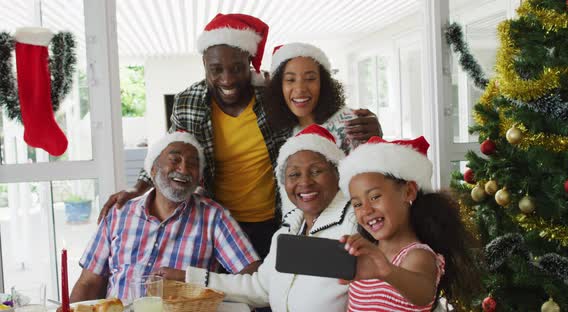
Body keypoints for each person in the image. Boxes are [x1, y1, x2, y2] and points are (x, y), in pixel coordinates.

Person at [99, 15, 379, 259]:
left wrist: (371, 131)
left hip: (278, 218)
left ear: (250, 63)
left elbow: (312, 113)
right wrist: (138, 188)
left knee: (273, 291)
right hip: (220, 222)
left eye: (236, 68)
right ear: (204, 64)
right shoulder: (189, 102)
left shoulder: (270, 98)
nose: (227, 79)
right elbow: (171, 149)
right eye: (216, 69)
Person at [166, 124, 357, 311]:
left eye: (316, 171)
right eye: (294, 174)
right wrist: (189, 279)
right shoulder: (288, 231)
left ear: (337, 173)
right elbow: (260, 288)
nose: (305, 182)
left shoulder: (354, 224)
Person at [70, 132, 260, 302]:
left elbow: (252, 277)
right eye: (175, 160)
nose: (184, 169)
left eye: (193, 164)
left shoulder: (213, 218)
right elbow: (89, 283)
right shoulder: (119, 213)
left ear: (199, 178)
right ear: (152, 170)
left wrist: (193, 279)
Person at [337, 136, 481, 311]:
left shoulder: (417, 255)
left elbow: (423, 294)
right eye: (357, 204)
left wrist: (387, 271)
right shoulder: (368, 255)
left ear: (409, 192)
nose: (366, 210)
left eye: (375, 197)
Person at [263, 42, 382, 155]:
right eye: (290, 80)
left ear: (323, 83)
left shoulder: (351, 125)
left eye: (310, 79)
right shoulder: (283, 131)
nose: (300, 89)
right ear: (279, 87)